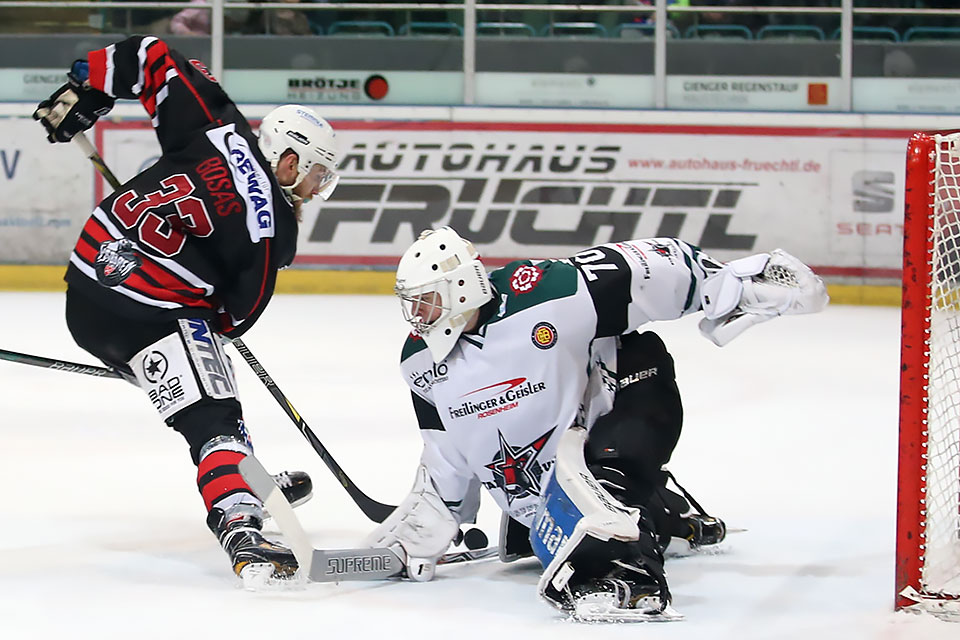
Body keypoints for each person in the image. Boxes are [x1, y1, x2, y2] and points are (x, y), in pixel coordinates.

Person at [364, 228, 827, 621]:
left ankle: (628, 569)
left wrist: (730, 285)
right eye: (412, 303)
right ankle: (662, 508)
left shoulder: (547, 292)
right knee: (577, 516)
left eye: (425, 301)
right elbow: (444, 454)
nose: (416, 315)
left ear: (460, 289)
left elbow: (650, 266)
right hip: (541, 499)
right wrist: (423, 528)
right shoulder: (420, 361)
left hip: (601, 439)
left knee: (638, 351)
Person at [32, 36, 341, 583]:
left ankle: (232, 467)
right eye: (315, 174)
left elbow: (153, 54)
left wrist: (90, 86)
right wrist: (198, 335)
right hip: (148, 315)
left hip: (86, 286)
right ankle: (240, 522)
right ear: (288, 158)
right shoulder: (276, 234)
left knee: (200, 374)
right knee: (215, 413)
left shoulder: (217, 126)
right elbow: (235, 318)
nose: (314, 190)